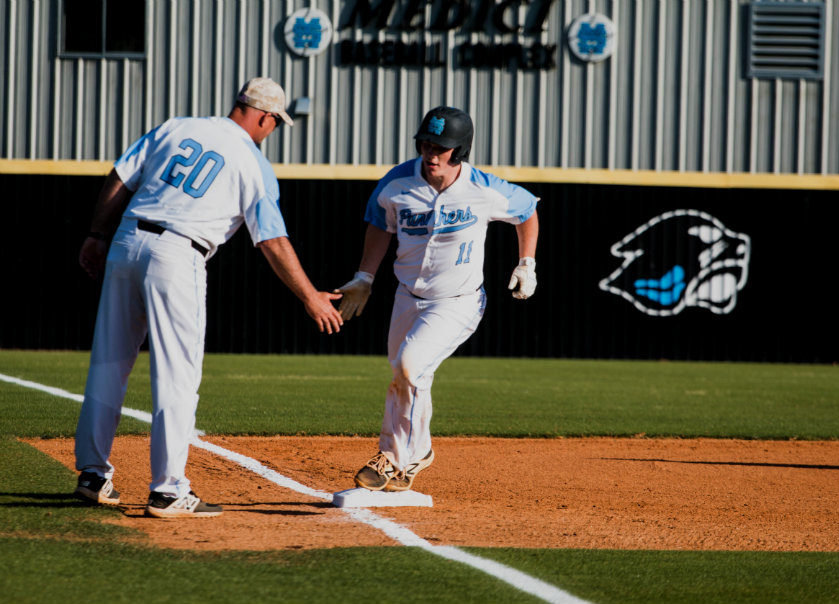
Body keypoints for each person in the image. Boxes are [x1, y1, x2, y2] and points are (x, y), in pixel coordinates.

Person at [74, 77, 344, 518]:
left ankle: (92, 475)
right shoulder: (251, 161)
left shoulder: (176, 127)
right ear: (263, 116)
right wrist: (310, 296)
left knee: (109, 362)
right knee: (177, 375)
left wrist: (95, 234)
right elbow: (272, 241)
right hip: (178, 252)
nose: (271, 131)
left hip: (127, 238)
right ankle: (168, 490)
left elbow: (120, 176)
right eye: (273, 123)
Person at [337, 106, 539, 492]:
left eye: (441, 147)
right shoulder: (396, 183)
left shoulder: (484, 188)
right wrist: (365, 276)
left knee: (411, 366)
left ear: (460, 151)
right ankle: (419, 451)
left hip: (457, 302)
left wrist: (526, 263)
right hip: (406, 297)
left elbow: (528, 210)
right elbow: (380, 225)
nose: (431, 154)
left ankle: (395, 459)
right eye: (426, 143)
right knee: (404, 375)